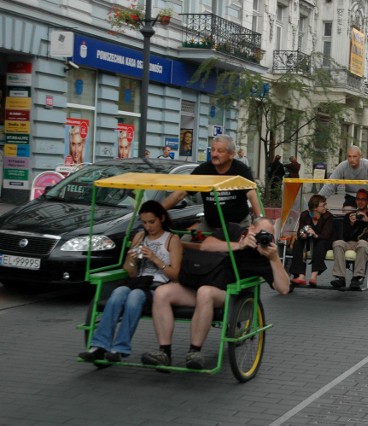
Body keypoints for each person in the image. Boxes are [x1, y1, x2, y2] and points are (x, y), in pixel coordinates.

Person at [141, 218, 289, 368]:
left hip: (225, 293)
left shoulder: (262, 258)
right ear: (250, 228)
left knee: (205, 293)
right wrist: (239, 245)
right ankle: (164, 352)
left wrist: (274, 258)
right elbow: (206, 246)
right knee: (162, 292)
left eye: (268, 236)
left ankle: (194, 351)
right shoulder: (233, 229)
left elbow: (284, 288)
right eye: (260, 233)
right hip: (197, 281)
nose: (262, 238)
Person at [78, 201, 183, 363]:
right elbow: (131, 272)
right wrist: (132, 258)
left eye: (152, 222)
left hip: (159, 287)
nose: (148, 227)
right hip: (138, 282)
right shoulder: (140, 237)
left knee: (134, 296)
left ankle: (120, 348)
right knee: (118, 292)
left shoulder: (171, 239)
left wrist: (155, 259)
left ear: (161, 218)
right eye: (144, 222)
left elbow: (175, 274)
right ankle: (99, 345)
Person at [162, 134, 260, 230]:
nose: (214, 154)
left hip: (238, 225)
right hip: (210, 225)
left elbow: (252, 195)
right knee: (184, 241)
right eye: (212, 150)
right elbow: (181, 193)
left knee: (238, 246)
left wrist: (260, 223)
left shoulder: (241, 170)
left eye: (220, 151)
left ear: (231, 154)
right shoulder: (203, 170)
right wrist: (157, 212)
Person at [330, 189, 368, 290]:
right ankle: (340, 277)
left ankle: (356, 277)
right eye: (358, 199)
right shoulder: (349, 216)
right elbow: (345, 237)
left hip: (365, 243)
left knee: (362, 243)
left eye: (363, 199)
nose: (360, 202)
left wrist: (367, 221)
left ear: (367, 201)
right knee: (337, 243)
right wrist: (351, 224)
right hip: (350, 243)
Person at [289, 195, 333, 286]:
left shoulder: (328, 216)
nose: (326, 207)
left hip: (323, 240)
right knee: (298, 243)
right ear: (315, 208)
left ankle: (313, 277)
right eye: (323, 205)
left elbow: (326, 235)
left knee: (320, 245)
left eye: (325, 205)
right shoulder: (305, 215)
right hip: (308, 241)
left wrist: (315, 235)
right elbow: (300, 231)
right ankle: (301, 276)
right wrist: (303, 234)